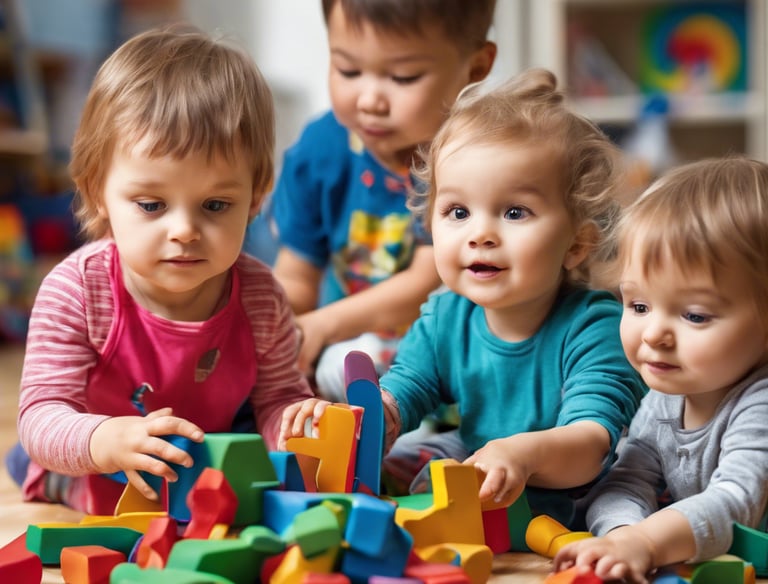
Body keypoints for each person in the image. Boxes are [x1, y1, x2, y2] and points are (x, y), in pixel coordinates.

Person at [280, 68, 646, 527]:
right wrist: (357, 422)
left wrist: (520, 455)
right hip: (480, 467)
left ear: (576, 244)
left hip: (576, 488)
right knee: (406, 464)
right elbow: (405, 391)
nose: (480, 234)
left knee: (623, 514)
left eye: (514, 212)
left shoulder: (594, 326)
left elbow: (591, 445)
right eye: (457, 211)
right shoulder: (445, 315)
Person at [8, 25, 314, 516]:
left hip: (206, 460)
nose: (185, 231)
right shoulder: (76, 290)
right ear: (95, 192)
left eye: (216, 204)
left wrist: (301, 428)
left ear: (256, 196)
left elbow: (277, 400)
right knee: (95, 490)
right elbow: (42, 415)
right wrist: (104, 438)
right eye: (152, 205)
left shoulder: (260, 295)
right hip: (101, 458)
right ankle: (43, 475)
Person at [266, 0, 497, 400]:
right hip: (348, 350)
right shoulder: (320, 151)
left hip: (459, 352)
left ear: (475, 68)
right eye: (348, 70)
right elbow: (297, 275)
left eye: (403, 77)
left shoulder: (472, 160)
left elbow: (426, 282)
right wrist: (271, 326)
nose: (370, 99)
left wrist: (322, 324)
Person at [552, 157, 768, 583]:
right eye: (638, 306)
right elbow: (626, 481)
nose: (654, 335)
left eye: (695, 315)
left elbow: (736, 500)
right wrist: (620, 536)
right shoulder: (665, 396)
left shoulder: (760, 403)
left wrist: (647, 542)